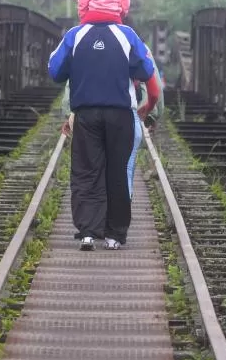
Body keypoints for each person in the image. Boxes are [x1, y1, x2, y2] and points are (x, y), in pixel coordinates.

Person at [48, 16, 159, 251]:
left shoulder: (75, 34)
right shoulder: (127, 34)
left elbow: (55, 69)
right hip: (120, 113)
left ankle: (88, 233)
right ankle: (114, 236)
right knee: (118, 171)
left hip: (86, 113)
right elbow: (147, 68)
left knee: (86, 170)